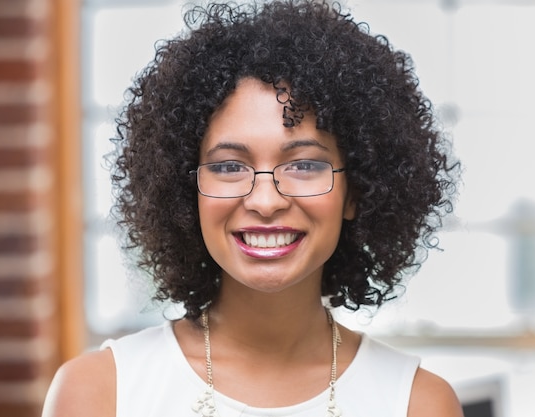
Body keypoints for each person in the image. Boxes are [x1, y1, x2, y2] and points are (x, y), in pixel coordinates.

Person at [42, 1, 463, 416]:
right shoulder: (100, 393)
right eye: (228, 166)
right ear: (188, 192)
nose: (265, 201)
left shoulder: (417, 403)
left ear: (357, 193)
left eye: (304, 164)